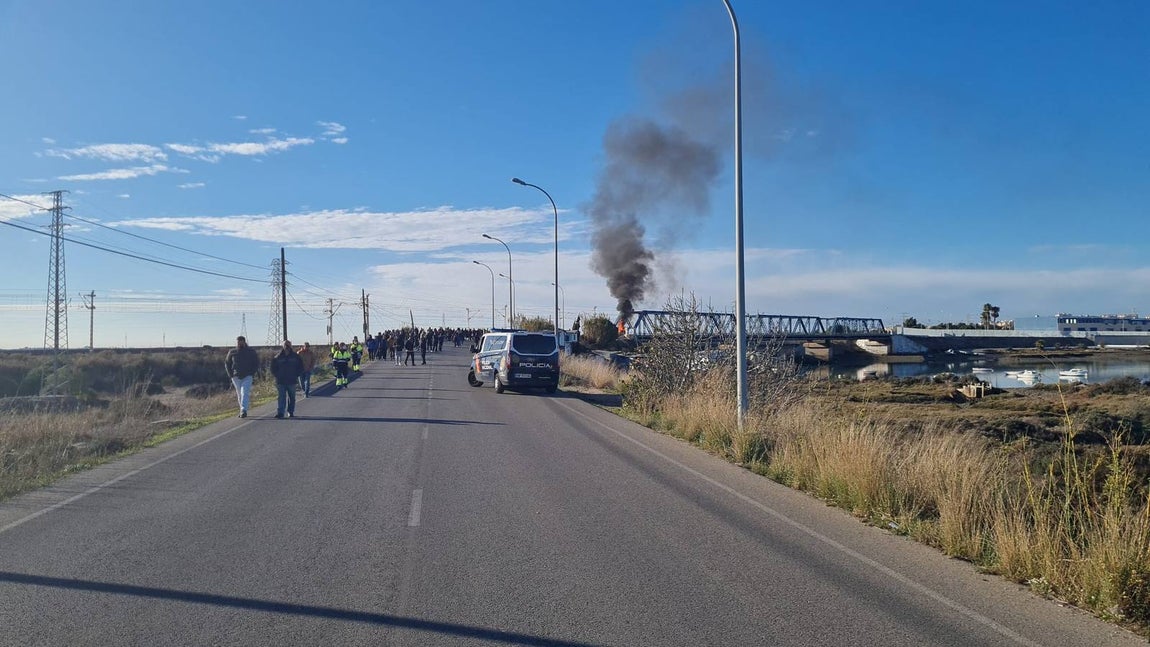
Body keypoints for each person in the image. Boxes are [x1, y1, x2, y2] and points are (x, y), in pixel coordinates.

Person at [224, 335, 260, 418]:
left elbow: (256, 363)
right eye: (238, 342)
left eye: (240, 342)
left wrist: (252, 372)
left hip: (247, 375)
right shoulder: (232, 352)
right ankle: (241, 410)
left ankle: (244, 410)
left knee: (245, 392)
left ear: (244, 342)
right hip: (236, 376)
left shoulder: (251, 351)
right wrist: (230, 374)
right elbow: (227, 363)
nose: (239, 344)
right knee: (239, 394)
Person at [271, 340, 304, 419]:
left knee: (292, 397)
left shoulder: (295, 356)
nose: (287, 346)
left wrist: (296, 375)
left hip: (291, 380)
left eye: (288, 345)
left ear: (291, 346)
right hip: (281, 381)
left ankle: (290, 411)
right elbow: (273, 368)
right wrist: (277, 376)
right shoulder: (278, 357)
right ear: (283, 346)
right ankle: (281, 412)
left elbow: (301, 367)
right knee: (281, 397)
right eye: (285, 345)